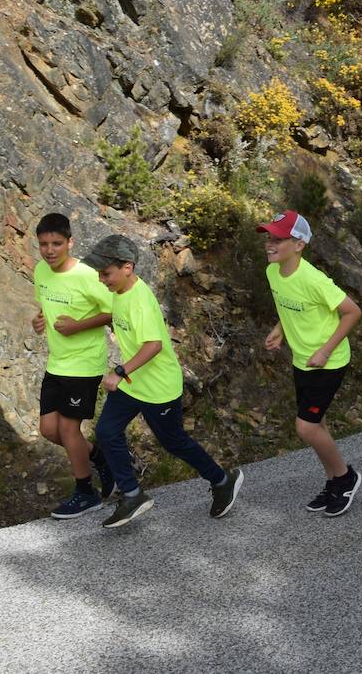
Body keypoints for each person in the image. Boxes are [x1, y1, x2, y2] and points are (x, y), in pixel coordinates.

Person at [84, 234, 243, 527]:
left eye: (105, 273)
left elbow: (153, 345)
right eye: (99, 273)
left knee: (174, 442)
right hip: (135, 382)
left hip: (157, 386)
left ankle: (222, 480)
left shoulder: (139, 300)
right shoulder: (119, 292)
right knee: (107, 431)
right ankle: (132, 495)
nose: (101, 279)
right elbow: (115, 319)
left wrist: (119, 372)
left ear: (127, 267)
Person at [260, 210, 362, 517]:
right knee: (317, 425)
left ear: (299, 244)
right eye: (269, 236)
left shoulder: (314, 279)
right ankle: (333, 481)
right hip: (302, 360)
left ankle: (346, 478)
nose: (270, 243)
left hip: (328, 362)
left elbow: (353, 312)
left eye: (278, 238)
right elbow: (288, 306)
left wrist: (326, 351)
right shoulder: (273, 272)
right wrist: (279, 331)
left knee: (305, 427)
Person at [30, 213, 115, 519]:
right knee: (49, 430)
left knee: (69, 429)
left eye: (56, 243)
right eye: (43, 244)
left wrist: (78, 326)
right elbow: (46, 305)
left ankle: (85, 493)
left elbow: (113, 311)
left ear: (70, 242)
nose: (50, 250)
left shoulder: (87, 275)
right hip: (57, 362)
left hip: (84, 364)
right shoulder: (41, 270)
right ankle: (100, 457)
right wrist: (39, 320)